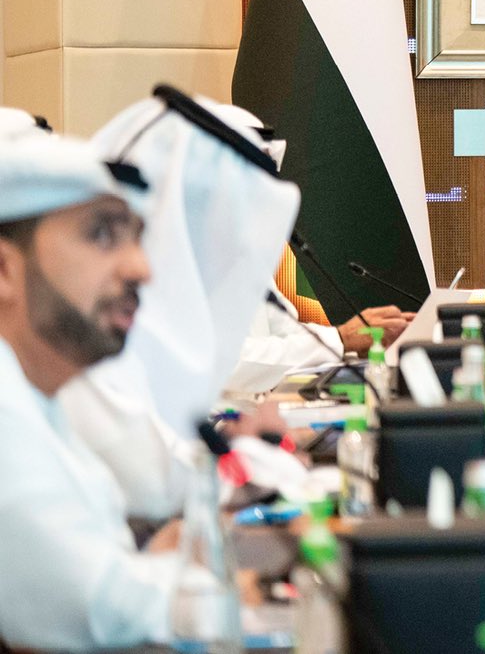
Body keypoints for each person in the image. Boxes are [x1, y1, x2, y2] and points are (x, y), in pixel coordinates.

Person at [0, 130, 210, 649]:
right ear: (4, 269)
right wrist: (217, 575)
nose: (140, 268)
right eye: (100, 236)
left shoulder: (39, 392)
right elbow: (103, 611)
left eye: (135, 237)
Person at [57, 92, 304, 520]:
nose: (136, 266)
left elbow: (170, 458)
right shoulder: (87, 346)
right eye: (106, 238)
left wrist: (237, 449)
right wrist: (245, 463)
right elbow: (155, 492)